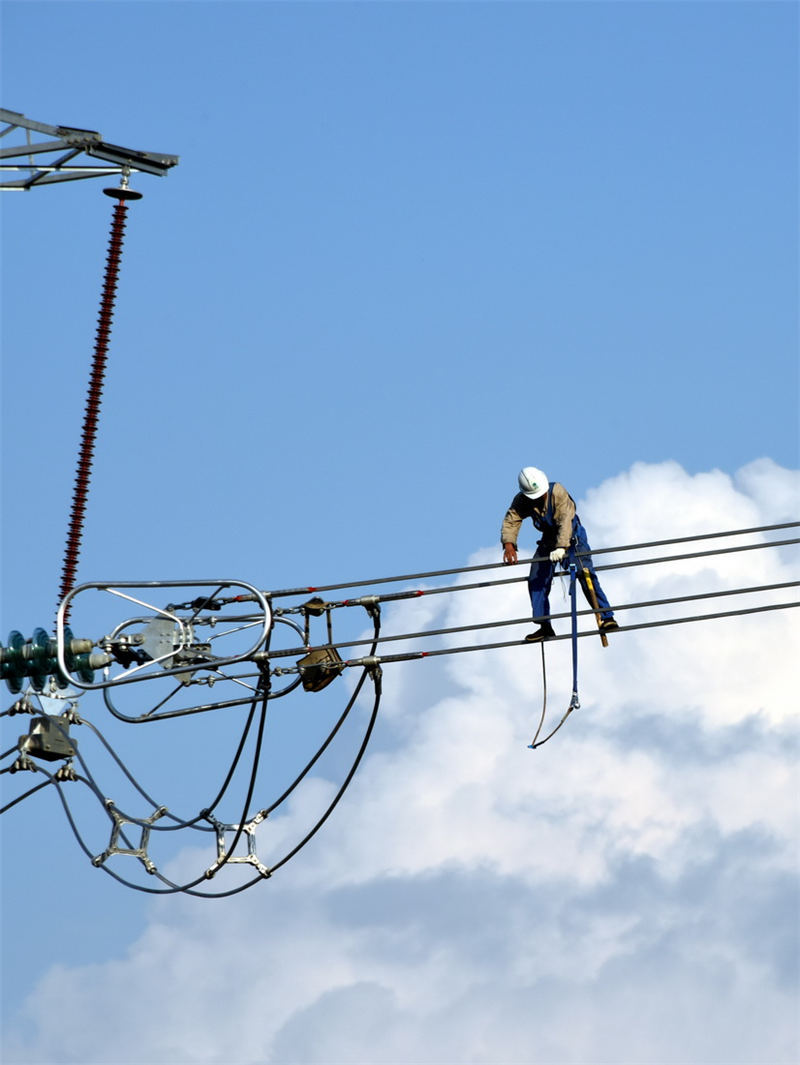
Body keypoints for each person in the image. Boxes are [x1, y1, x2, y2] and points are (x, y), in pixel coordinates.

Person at [501, 466, 618, 642]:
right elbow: (512, 519)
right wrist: (509, 545)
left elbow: (565, 520)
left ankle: (606, 617)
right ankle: (544, 626)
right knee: (537, 578)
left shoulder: (558, 492)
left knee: (585, 574)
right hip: (548, 540)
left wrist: (562, 547)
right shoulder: (523, 499)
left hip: (572, 537)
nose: (538, 498)